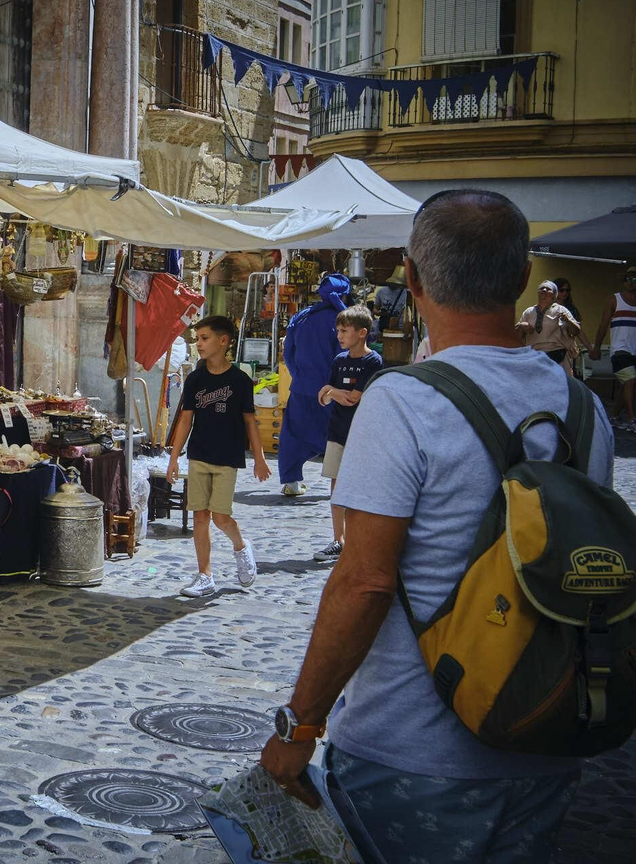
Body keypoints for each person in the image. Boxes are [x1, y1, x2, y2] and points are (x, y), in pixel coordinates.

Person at [259, 190, 614, 862]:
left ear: (414, 282)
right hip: (545, 732)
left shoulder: (404, 399)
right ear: (519, 279)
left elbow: (364, 582)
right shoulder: (582, 406)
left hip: (411, 749)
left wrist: (300, 724)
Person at [165, 315, 270, 598]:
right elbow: (185, 420)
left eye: (204, 338)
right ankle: (205, 576)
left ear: (223, 341)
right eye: (197, 339)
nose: (198, 344)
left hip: (228, 456)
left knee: (221, 517)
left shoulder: (240, 380)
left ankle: (240, 546)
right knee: (200, 516)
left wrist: (259, 458)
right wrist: (174, 457)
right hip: (199, 454)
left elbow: (250, 421)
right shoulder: (196, 379)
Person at [312, 305, 381, 563]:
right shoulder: (339, 361)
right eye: (338, 330)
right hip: (337, 431)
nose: (339, 335)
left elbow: (353, 398)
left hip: (360, 433)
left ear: (361, 333)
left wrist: (332, 392)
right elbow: (324, 398)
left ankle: (355, 540)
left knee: (357, 486)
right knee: (336, 484)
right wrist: (331, 394)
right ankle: (337, 539)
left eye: (344, 330)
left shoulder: (372, 361)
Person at [278, 273, 350, 496]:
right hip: (331, 390)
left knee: (293, 433)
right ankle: (340, 486)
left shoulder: (302, 316)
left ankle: (291, 482)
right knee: (336, 436)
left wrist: (298, 375)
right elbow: (344, 355)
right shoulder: (343, 321)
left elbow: (288, 351)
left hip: (301, 387)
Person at [589, 265, 636, 432]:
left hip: (635, 350)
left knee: (627, 385)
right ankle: (632, 419)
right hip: (620, 349)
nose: (631, 282)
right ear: (623, 282)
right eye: (628, 279)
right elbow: (603, 325)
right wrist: (597, 348)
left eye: (634, 279)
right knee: (630, 380)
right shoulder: (614, 299)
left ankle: (615, 416)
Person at [515, 280, 581, 376]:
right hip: (535, 359)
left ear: (554, 295)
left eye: (548, 289)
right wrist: (521, 326)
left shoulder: (561, 310)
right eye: (542, 288)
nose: (544, 290)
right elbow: (518, 338)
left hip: (557, 358)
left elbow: (576, 331)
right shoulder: (528, 312)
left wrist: (567, 320)